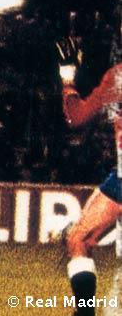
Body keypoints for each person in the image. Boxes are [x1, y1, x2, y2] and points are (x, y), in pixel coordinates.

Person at [56, 37, 122, 316]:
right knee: (78, 237)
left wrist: (68, 77)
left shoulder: (118, 77)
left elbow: (76, 118)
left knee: (78, 239)